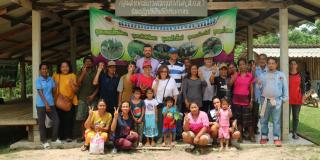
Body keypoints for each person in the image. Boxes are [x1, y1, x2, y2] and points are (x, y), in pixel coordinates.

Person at [258, 57, 288, 147]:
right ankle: (264, 136)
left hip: (276, 100)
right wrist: (259, 85)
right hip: (264, 100)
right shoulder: (263, 75)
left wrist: (284, 99)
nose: (271, 65)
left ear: (276, 64)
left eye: (273, 63)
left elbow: (285, 87)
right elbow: (259, 88)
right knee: (263, 119)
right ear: (267, 64)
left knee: (276, 120)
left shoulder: (281, 75)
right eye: (269, 63)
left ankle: (276, 137)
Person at [228, 58, 255, 142]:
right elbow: (229, 84)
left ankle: (251, 136)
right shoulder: (236, 75)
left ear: (246, 65)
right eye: (240, 65)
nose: (242, 66)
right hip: (236, 101)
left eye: (243, 64)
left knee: (249, 120)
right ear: (238, 66)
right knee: (239, 120)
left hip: (246, 100)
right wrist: (235, 76)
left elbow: (251, 88)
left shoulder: (250, 75)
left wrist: (251, 100)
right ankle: (240, 136)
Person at [36, 63, 60, 148]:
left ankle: (54, 138)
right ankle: (44, 141)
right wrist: (46, 104)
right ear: (40, 70)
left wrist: (56, 85)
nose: (45, 70)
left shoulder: (50, 79)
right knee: (42, 123)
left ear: (48, 70)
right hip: (41, 104)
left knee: (56, 120)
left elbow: (53, 91)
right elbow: (40, 93)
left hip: (51, 104)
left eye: (46, 69)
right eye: (43, 69)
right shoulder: (38, 80)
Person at [152, 65, 179, 143]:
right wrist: (156, 83)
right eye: (162, 71)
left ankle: (169, 138)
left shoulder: (171, 80)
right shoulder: (155, 80)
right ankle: (160, 137)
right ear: (159, 72)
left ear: (167, 72)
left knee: (170, 121)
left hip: (169, 104)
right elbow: (153, 93)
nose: (164, 73)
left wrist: (174, 104)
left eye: (165, 71)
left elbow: (175, 93)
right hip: (159, 103)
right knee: (160, 121)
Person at [53, 61, 78, 142]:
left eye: (66, 66)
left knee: (69, 119)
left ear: (69, 67)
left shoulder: (72, 75)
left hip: (70, 101)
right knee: (59, 119)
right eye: (63, 67)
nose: (65, 68)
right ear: (60, 68)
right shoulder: (55, 76)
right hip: (59, 101)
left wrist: (71, 84)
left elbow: (76, 90)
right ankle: (60, 136)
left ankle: (68, 136)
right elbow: (52, 90)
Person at [76, 56, 98, 142]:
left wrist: (93, 95)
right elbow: (78, 83)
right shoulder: (80, 71)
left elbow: (98, 86)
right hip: (82, 98)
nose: (88, 63)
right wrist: (83, 73)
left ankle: (93, 135)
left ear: (92, 63)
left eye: (90, 61)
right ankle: (83, 136)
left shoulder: (95, 72)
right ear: (84, 63)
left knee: (93, 118)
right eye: (86, 61)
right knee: (82, 118)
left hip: (93, 98)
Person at [289, 60, 305, 139]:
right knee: (286, 116)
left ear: (297, 65)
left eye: (294, 64)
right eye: (291, 64)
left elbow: (303, 87)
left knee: (296, 117)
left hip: (297, 99)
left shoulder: (300, 75)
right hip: (287, 99)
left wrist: (303, 97)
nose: (293, 65)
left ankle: (294, 132)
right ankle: (285, 131)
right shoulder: (286, 74)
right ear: (289, 65)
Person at [253, 54, 268, 134]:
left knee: (264, 114)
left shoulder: (269, 70)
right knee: (255, 113)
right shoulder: (255, 69)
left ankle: (264, 131)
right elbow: (251, 79)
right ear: (258, 60)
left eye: (263, 59)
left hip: (265, 95)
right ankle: (255, 128)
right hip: (256, 94)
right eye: (260, 59)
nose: (262, 60)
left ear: (266, 60)